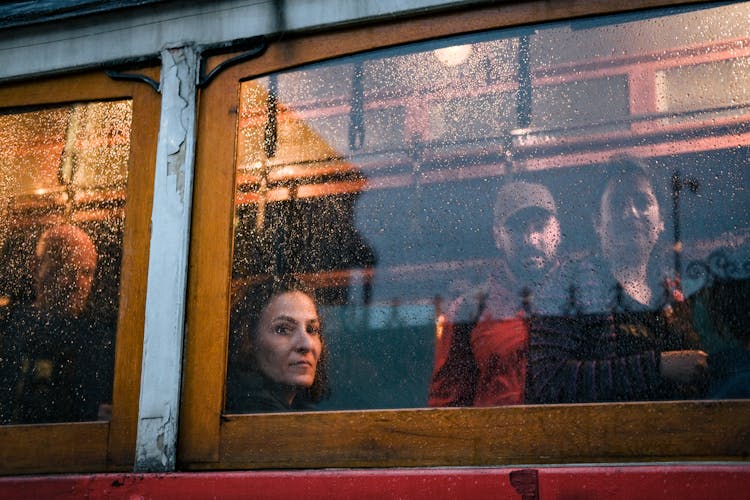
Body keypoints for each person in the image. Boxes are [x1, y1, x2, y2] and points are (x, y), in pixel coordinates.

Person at [526, 156, 708, 403]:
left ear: (662, 221)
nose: (631, 212)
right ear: (597, 222)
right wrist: (657, 368)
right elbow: (549, 382)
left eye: (643, 202)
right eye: (617, 203)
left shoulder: (673, 291)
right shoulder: (567, 283)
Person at [429, 180, 570, 407]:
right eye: (516, 228)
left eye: (540, 226)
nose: (531, 239)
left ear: (558, 230)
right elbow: (447, 405)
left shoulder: (586, 298)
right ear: (497, 236)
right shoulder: (469, 309)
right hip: (495, 440)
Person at [0, 223, 107, 424]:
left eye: (86, 272)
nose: (78, 283)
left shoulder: (101, 342)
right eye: (67, 269)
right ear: (37, 267)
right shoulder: (8, 328)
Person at [226, 277, 329, 412]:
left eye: (312, 330)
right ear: (249, 340)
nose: (307, 344)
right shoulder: (249, 414)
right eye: (283, 329)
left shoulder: (299, 415)